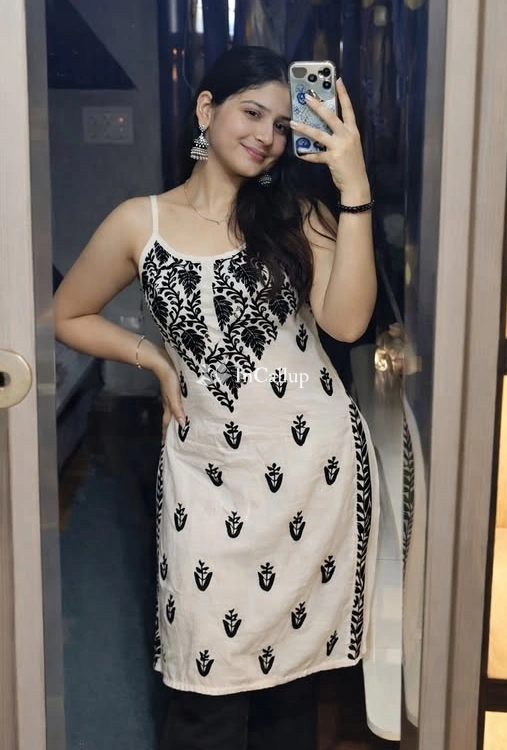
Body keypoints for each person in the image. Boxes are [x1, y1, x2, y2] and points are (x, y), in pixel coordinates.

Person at [54, 45, 379, 750]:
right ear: (207, 109)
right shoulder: (139, 222)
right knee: (203, 686)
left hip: (309, 474)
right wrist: (153, 358)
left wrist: (352, 187)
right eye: (251, 112)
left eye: (282, 124)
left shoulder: (299, 215)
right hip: (204, 475)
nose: (266, 135)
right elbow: (69, 314)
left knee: (289, 694)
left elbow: (348, 323)